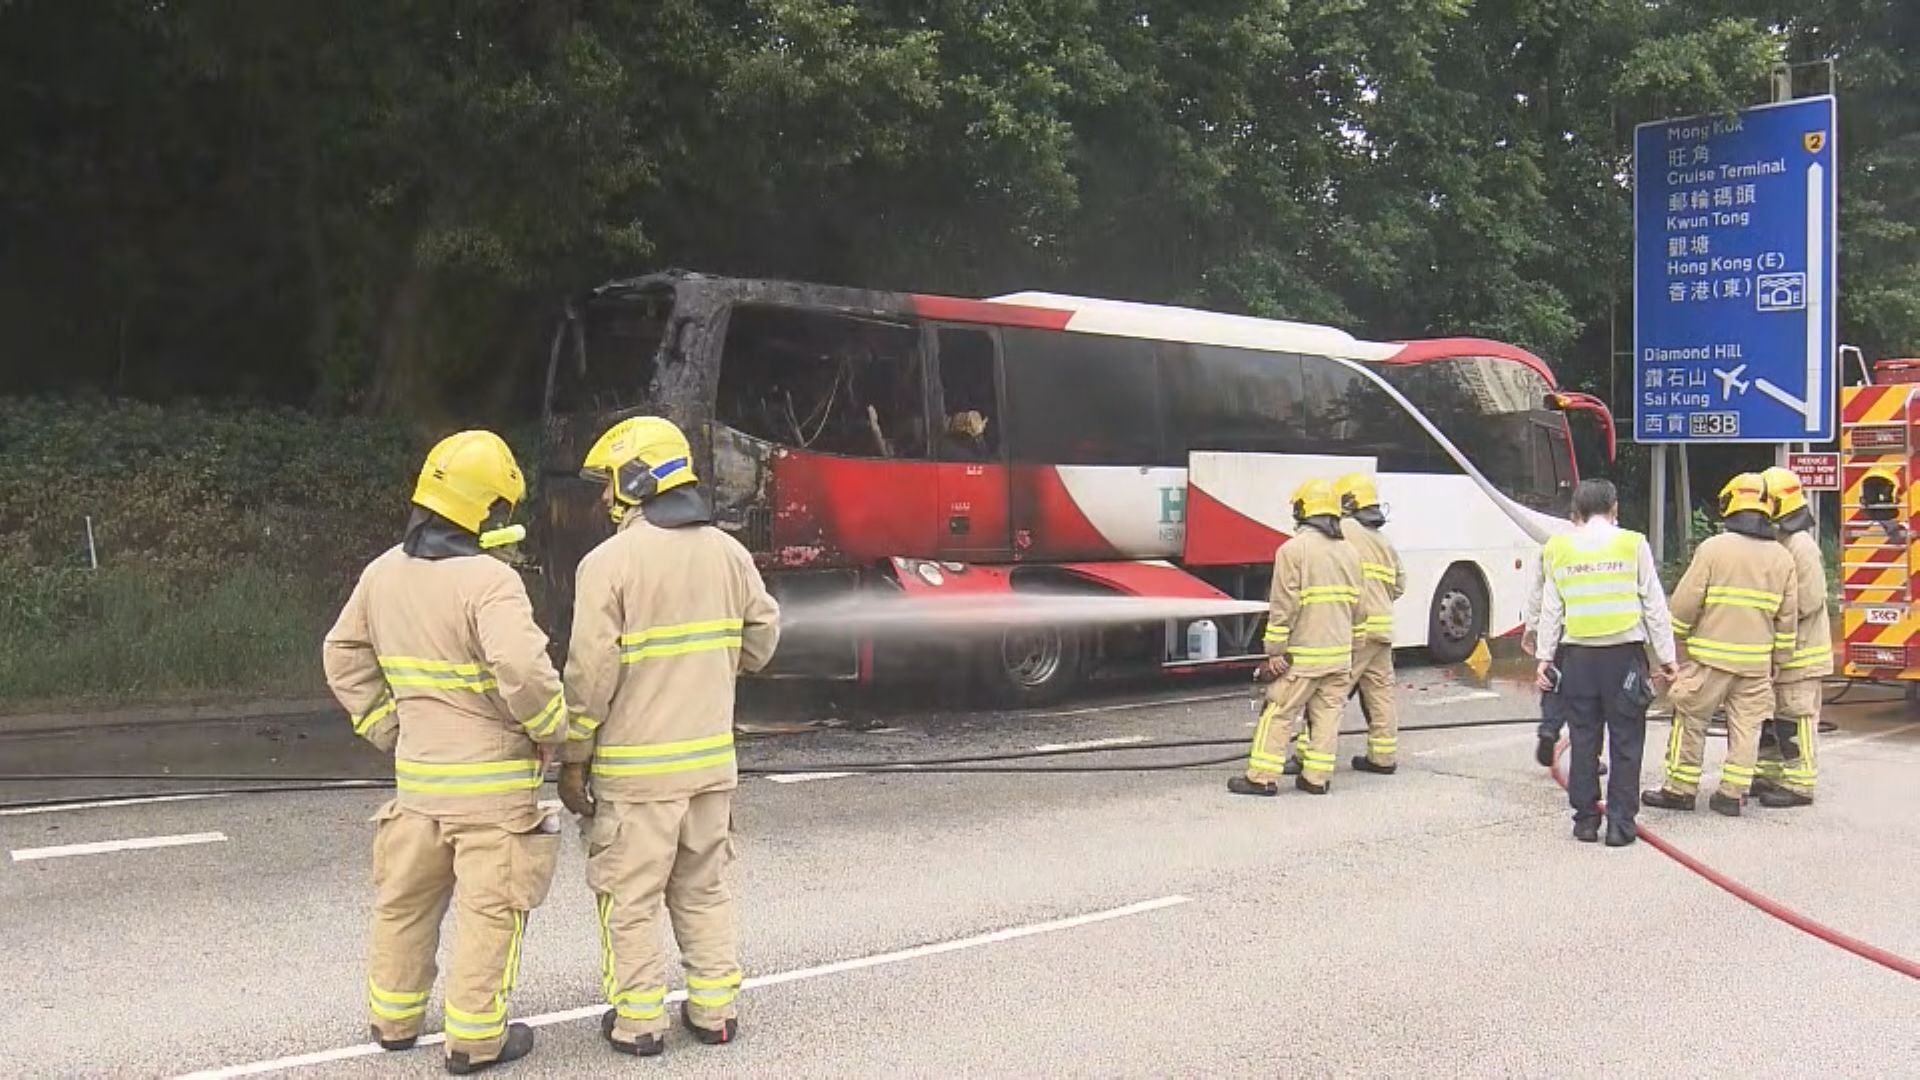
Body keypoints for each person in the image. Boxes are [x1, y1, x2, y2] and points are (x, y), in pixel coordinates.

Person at [322, 430, 567, 1075]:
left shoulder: (382, 571)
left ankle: (395, 1021)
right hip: (492, 794)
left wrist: (387, 728)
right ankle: (477, 1040)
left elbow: (343, 655)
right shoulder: (490, 580)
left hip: (418, 788)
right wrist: (550, 729)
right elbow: (523, 669)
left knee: (404, 905)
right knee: (491, 915)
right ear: (486, 508)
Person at [557, 416, 781, 1057]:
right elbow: (762, 642)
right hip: (712, 768)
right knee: (704, 887)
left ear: (637, 478)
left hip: (636, 775)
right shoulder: (730, 553)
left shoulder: (608, 563)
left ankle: (638, 1024)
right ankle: (714, 1013)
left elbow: (590, 674)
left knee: (630, 898)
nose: (604, 498)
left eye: (609, 484)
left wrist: (574, 757)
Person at [1644, 473, 1799, 817]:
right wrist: (1780, 657)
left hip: (1711, 659)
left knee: (1690, 717)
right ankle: (1731, 795)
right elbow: (1787, 618)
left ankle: (1680, 789)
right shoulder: (1782, 557)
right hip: (1757, 663)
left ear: (1729, 504)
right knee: (1747, 728)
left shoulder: (1713, 549)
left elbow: (1686, 602)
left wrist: (1674, 640)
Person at [1535, 479, 1677, 846]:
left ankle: (1585, 821)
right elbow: (1654, 606)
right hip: (1624, 658)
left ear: (1577, 510)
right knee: (1626, 741)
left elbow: (1552, 609)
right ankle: (1619, 826)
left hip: (1578, 658)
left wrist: (1544, 658)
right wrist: (1667, 657)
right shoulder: (1633, 543)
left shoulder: (1558, 547)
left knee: (1583, 739)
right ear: (1614, 507)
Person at [1233, 478, 1362, 797]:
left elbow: (1283, 606)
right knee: (1327, 717)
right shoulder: (1349, 552)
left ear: (1303, 510)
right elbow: (1358, 606)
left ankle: (1262, 777)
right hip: (1339, 656)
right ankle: (1316, 779)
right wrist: (1353, 647)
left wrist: (1275, 650)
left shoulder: (1292, 551)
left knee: (1278, 711)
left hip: (1304, 656)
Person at [1753, 466, 1830, 808]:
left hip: (1802, 651)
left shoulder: (1801, 546)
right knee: (1774, 715)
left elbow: (1810, 599)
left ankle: (1799, 783)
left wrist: (1772, 613)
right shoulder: (1781, 541)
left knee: (1796, 715)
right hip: (1782, 649)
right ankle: (1769, 773)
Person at [1334, 472, 1405, 774]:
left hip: (1356, 629)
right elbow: (1400, 585)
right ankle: (1383, 757)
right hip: (1383, 630)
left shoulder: (1342, 529)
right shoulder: (1383, 542)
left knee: (1330, 694)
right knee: (1380, 695)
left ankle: (1310, 758)